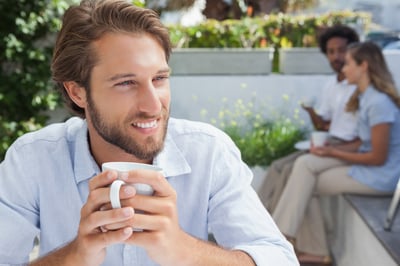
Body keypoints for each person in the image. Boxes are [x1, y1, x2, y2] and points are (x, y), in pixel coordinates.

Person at [0, 0, 298, 265]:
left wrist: (184, 251)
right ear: (78, 92)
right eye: (126, 83)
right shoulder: (33, 160)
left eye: (159, 78)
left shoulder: (208, 152)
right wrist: (75, 256)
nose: (153, 105)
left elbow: (278, 258)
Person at [272, 41, 400, 265]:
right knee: (305, 165)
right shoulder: (365, 97)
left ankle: (283, 241)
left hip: (380, 176)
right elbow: (362, 142)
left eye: (349, 63)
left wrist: (334, 153)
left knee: (305, 179)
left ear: (364, 66)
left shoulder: (379, 103)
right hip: (368, 167)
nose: (343, 69)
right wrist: (328, 151)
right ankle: (287, 240)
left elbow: (377, 157)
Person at [258, 25, 360, 213]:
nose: (336, 57)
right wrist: (311, 111)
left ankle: (273, 226)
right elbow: (323, 125)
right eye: (330, 52)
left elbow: (365, 138)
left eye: (341, 50)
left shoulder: (360, 87)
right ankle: (258, 217)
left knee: (292, 171)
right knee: (277, 166)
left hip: (346, 147)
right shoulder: (331, 84)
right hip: (331, 142)